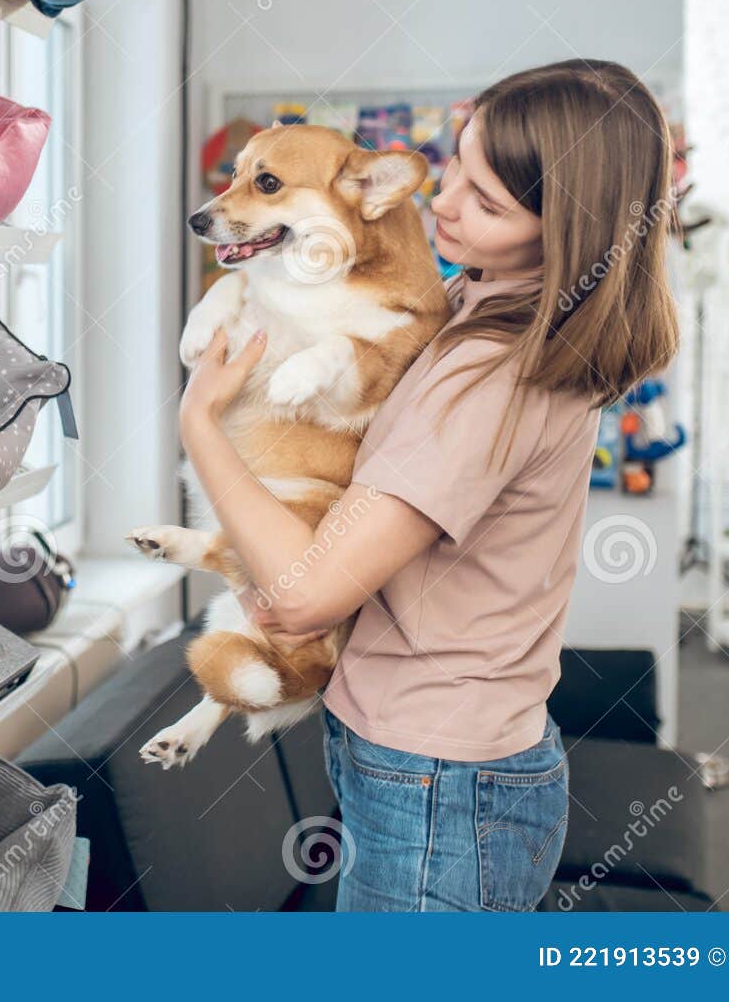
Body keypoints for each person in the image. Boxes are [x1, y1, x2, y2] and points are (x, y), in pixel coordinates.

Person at [176, 59, 681, 911]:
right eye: (454, 166)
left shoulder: (490, 373)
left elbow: (302, 597)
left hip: (441, 782)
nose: (441, 203)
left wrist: (200, 423)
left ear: (565, 233)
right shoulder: (466, 300)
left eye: (485, 203)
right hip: (433, 759)